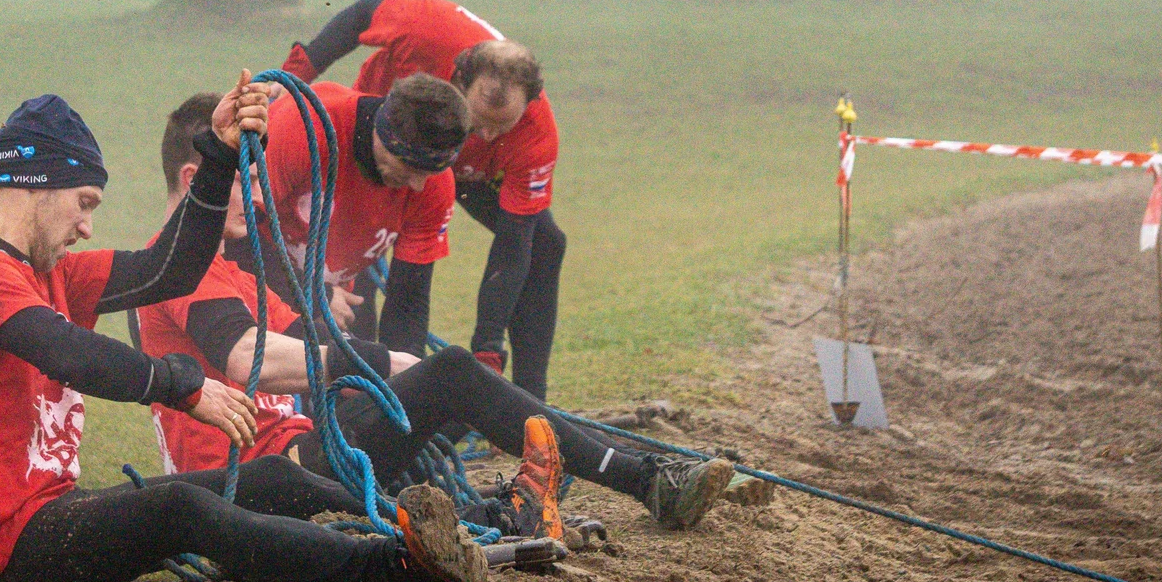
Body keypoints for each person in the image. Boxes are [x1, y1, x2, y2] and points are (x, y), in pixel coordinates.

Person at [0, 78, 487, 582]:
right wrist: (183, 386)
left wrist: (219, 157)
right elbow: (66, 352)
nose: (87, 226)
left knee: (270, 479)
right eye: (84, 204)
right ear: (36, 185)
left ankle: (439, 530)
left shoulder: (52, 273)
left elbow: (166, 269)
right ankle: (391, 563)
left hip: (50, 512)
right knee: (179, 510)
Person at [140, 94, 739, 535]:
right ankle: (632, 480)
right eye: (248, 179)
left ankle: (564, 491)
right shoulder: (176, 266)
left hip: (298, 454)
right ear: (199, 177)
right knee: (445, 373)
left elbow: (314, 341)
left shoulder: (235, 271)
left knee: (446, 383)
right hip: (253, 477)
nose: (264, 195)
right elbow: (250, 358)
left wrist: (398, 374)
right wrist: (397, 363)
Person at [283, 0, 563, 398]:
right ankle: (350, 395)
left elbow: (514, 243)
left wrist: (487, 348)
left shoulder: (537, 132)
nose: (485, 138)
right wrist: (292, 76)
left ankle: (531, 402)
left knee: (545, 243)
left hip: (455, 173)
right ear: (457, 81)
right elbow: (362, 15)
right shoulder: (429, 31)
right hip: (376, 149)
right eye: (478, 124)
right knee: (356, 259)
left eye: (504, 129)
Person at [250, 70, 467, 360]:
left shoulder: (433, 185)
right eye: (410, 168)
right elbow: (236, 240)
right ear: (384, 135)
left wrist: (406, 387)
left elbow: (407, 303)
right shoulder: (306, 125)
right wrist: (317, 298)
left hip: (322, 310)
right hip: (250, 295)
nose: (418, 185)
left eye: (430, 173)